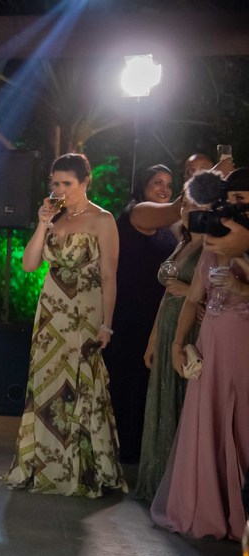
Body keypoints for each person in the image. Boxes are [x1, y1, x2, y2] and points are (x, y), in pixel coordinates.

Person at [5, 153, 125, 497]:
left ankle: (83, 471)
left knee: (81, 385)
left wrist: (107, 325)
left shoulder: (102, 219)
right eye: (55, 183)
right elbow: (29, 265)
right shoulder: (53, 217)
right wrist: (42, 224)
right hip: (51, 313)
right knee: (45, 384)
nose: (59, 190)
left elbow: (109, 275)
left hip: (84, 313)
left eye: (67, 183)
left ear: (85, 182)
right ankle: (43, 467)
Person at [152, 169, 249, 540]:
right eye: (231, 199)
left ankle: (240, 511)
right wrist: (177, 345)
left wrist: (241, 278)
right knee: (206, 420)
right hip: (211, 343)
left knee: (240, 421)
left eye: (241, 199)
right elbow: (193, 299)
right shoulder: (213, 242)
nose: (234, 207)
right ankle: (207, 506)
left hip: (242, 345)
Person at [134, 175, 212, 502]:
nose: (188, 210)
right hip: (168, 326)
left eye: (195, 205)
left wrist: (189, 291)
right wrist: (154, 339)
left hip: (192, 329)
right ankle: (158, 481)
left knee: (183, 402)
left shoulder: (213, 245)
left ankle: (181, 489)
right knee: (162, 401)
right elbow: (166, 296)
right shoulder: (182, 242)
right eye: (185, 204)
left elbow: (218, 294)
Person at [105, 165, 177, 465]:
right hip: (129, 316)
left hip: (156, 316)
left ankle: (146, 451)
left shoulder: (168, 227)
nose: (164, 189)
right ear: (143, 187)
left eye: (169, 184)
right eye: (157, 182)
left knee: (148, 385)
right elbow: (176, 209)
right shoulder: (138, 213)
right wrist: (211, 177)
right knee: (128, 384)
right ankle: (123, 452)